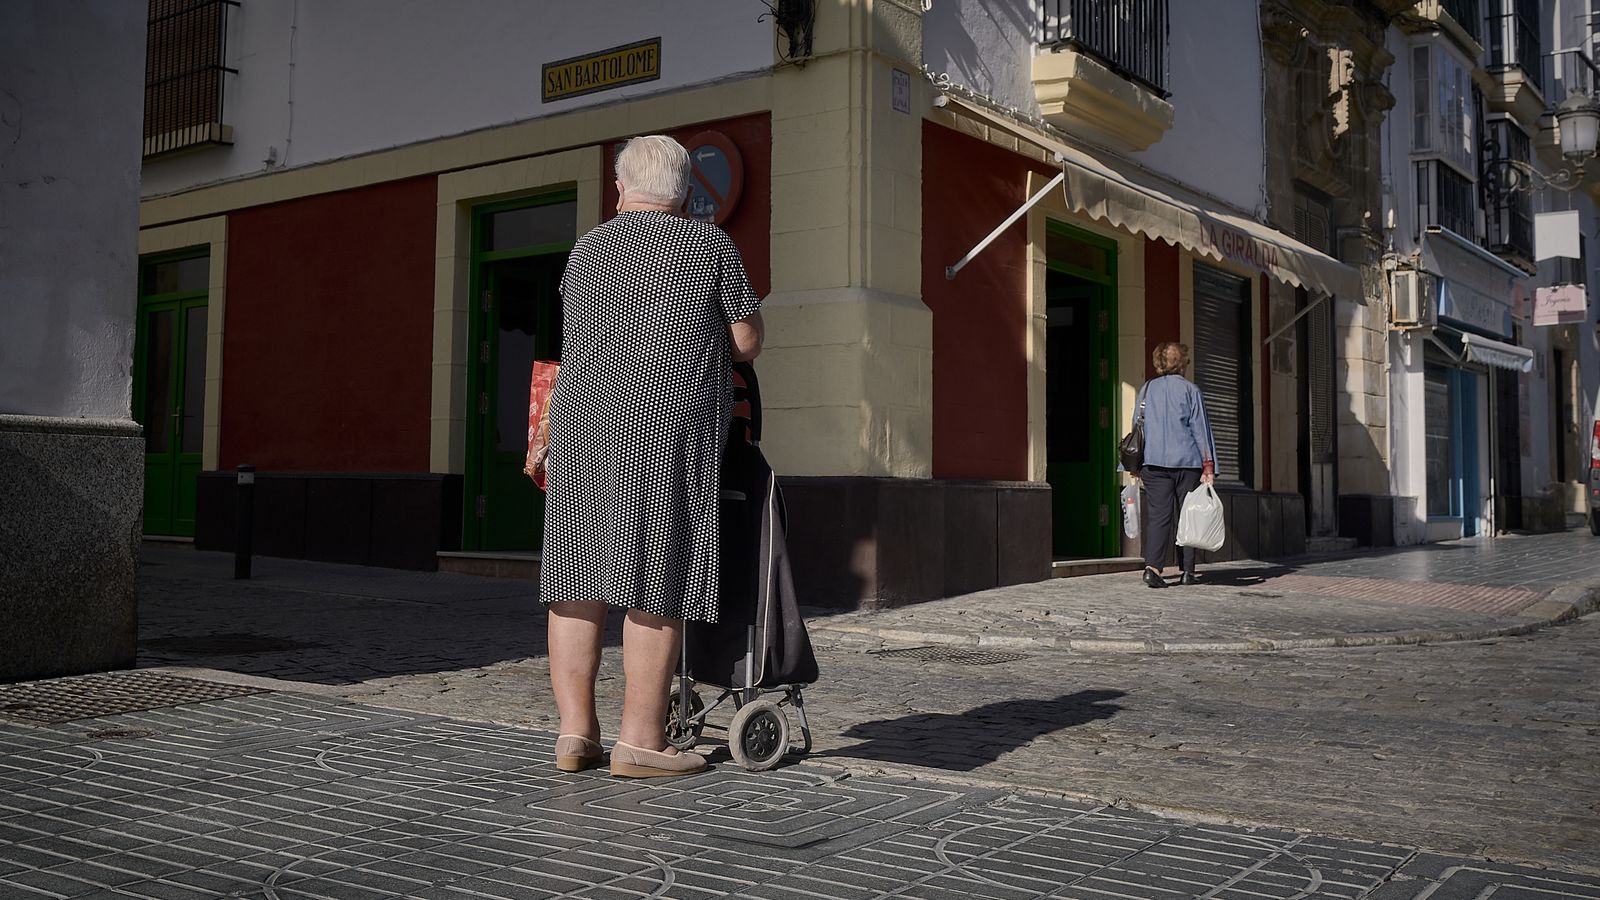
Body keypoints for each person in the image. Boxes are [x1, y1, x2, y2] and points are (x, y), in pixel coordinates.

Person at [540, 135, 764, 777]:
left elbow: (576, 334)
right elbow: (745, 342)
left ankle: (575, 734)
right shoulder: (710, 244)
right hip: (673, 432)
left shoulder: (588, 248)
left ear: (620, 188)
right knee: (660, 583)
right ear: (687, 191)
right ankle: (641, 741)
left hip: (583, 431)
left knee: (575, 585)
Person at [1133, 342, 1216, 589]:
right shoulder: (1191, 390)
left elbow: (1137, 426)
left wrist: (1133, 464)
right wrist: (1208, 466)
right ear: (1181, 364)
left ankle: (1152, 568)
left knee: (1158, 516)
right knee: (1188, 514)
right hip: (1187, 463)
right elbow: (1200, 430)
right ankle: (1188, 571)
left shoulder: (1146, 389)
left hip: (1153, 463)